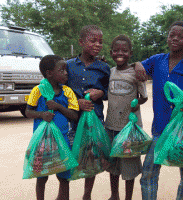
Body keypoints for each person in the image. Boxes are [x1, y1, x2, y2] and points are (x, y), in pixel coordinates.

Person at [134, 21, 183, 200]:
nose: (175, 39)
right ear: (167, 38)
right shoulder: (157, 60)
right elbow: (140, 66)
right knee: (149, 172)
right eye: (171, 35)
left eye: (180, 37)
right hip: (160, 127)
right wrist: (137, 64)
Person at [25, 55, 79, 200]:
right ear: (49, 73)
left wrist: (58, 107)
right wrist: (42, 114)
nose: (66, 73)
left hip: (62, 142)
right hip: (43, 143)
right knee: (42, 176)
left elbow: (74, 116)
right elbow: (28, 112)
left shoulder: (67, 92)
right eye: (62, 70)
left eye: (66, 70)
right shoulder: (38, 90)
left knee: (64, 177)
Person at [66, 25, 111, 200]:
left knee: (91, 158)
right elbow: (61, 92)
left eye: (100, 42)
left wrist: (102, 93)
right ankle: (65, 193)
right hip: (73, 121)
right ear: (81, 42)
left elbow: (109, 91)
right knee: (70, 157)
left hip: (95, 121)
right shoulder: (69, 66)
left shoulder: (104, 68)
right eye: (93, 41)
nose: (98, 45)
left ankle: (87, 195)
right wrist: (76, 103)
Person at [105, 34, 148, 200]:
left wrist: (137, 103)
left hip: (129, 129)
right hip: (111, 127)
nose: (119, 53)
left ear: (130, 53)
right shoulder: (110, 72)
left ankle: (127, 198)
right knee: (113, 165)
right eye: (116, 50)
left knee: (129, 166)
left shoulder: (136, 74)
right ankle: (114, 195)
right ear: (111, 53)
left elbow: (144, 96)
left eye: (124, 50)